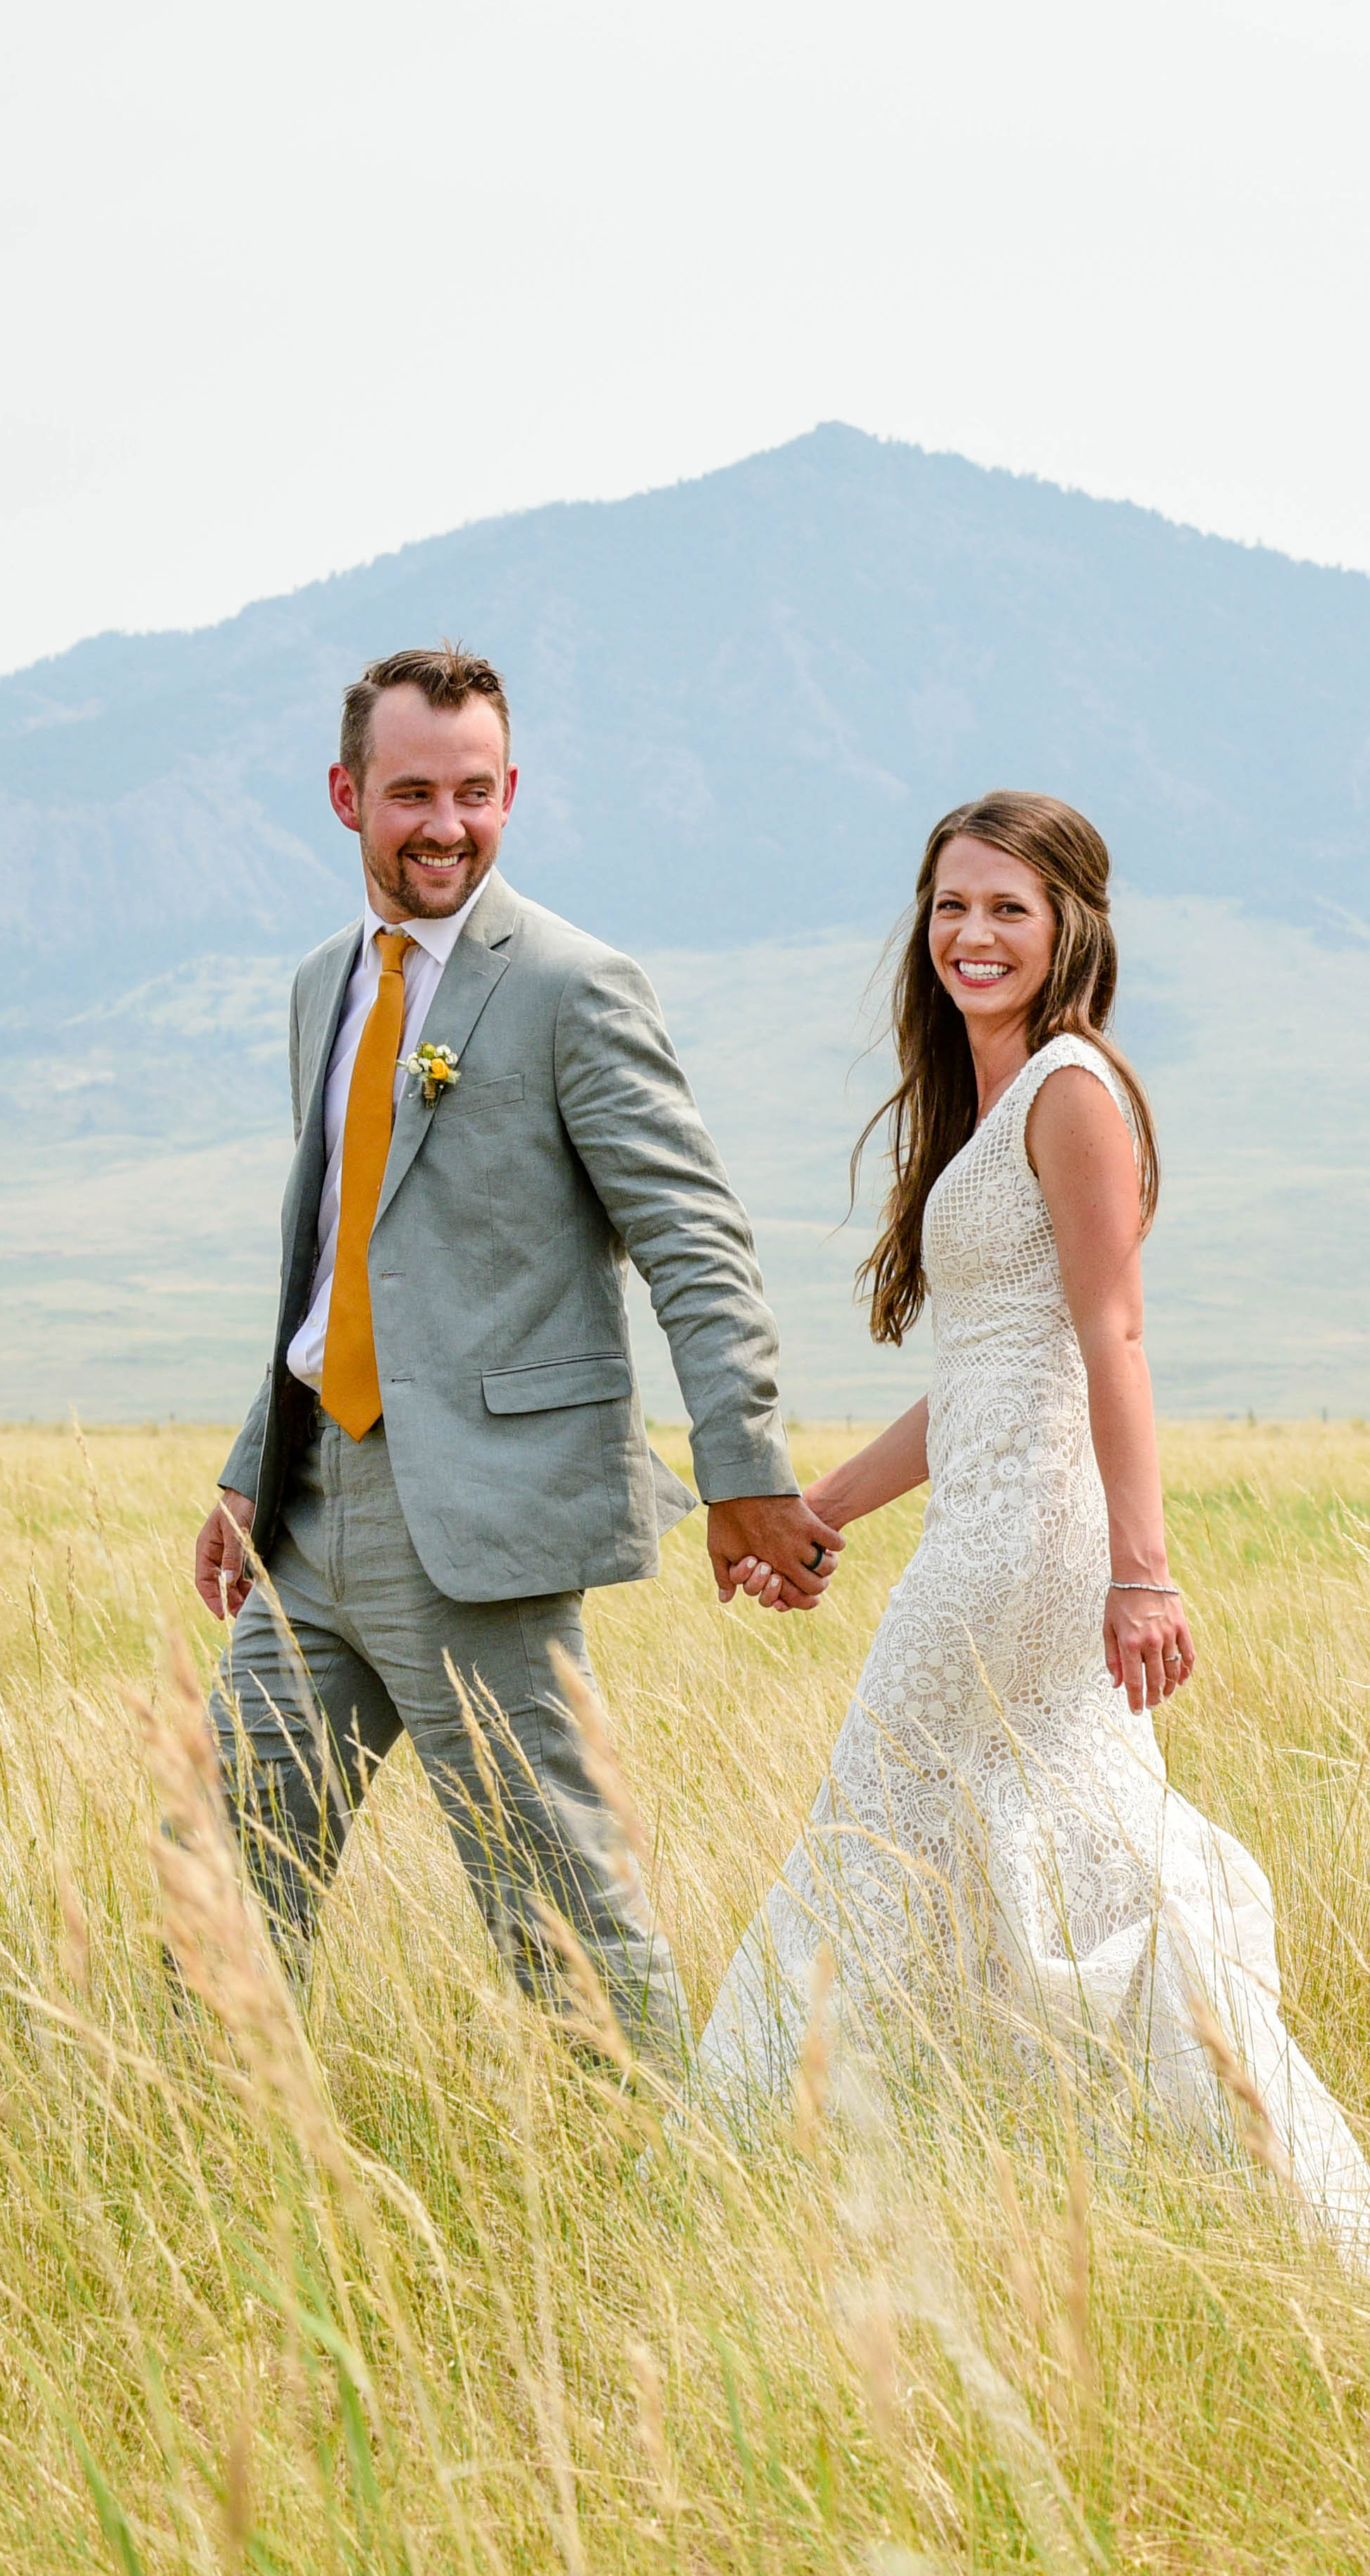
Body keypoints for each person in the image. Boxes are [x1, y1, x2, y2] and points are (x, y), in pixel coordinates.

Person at [696, 791, 1370, 2272]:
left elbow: (1113, 1340)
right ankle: (1151, 2186)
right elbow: (974, 1387)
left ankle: (743, 2158)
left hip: (1028, 1554)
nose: (971, 934)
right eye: (950, 905)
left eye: (1007, 907)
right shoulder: (993, 1103)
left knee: (878, 1841)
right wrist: (815, 1515)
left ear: (1071, 925)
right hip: (989, 1527)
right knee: (1001, 1851)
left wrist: (1143, 1571)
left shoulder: (1073, 1091)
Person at [188, 646, 839, 2055]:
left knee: (563, 1925)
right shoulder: (325, 987)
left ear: (512, 791)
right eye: (411, 793)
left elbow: (695, 1242)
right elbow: (333, 1260)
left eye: (474, 794)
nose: (444, 827)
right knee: (225, 1897)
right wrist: (252, 1467)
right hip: (308, 1525)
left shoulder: (571, 987)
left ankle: (676, 2215)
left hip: (480, 1532)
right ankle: (213, 2202)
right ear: (345, 795)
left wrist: (743, 1469)